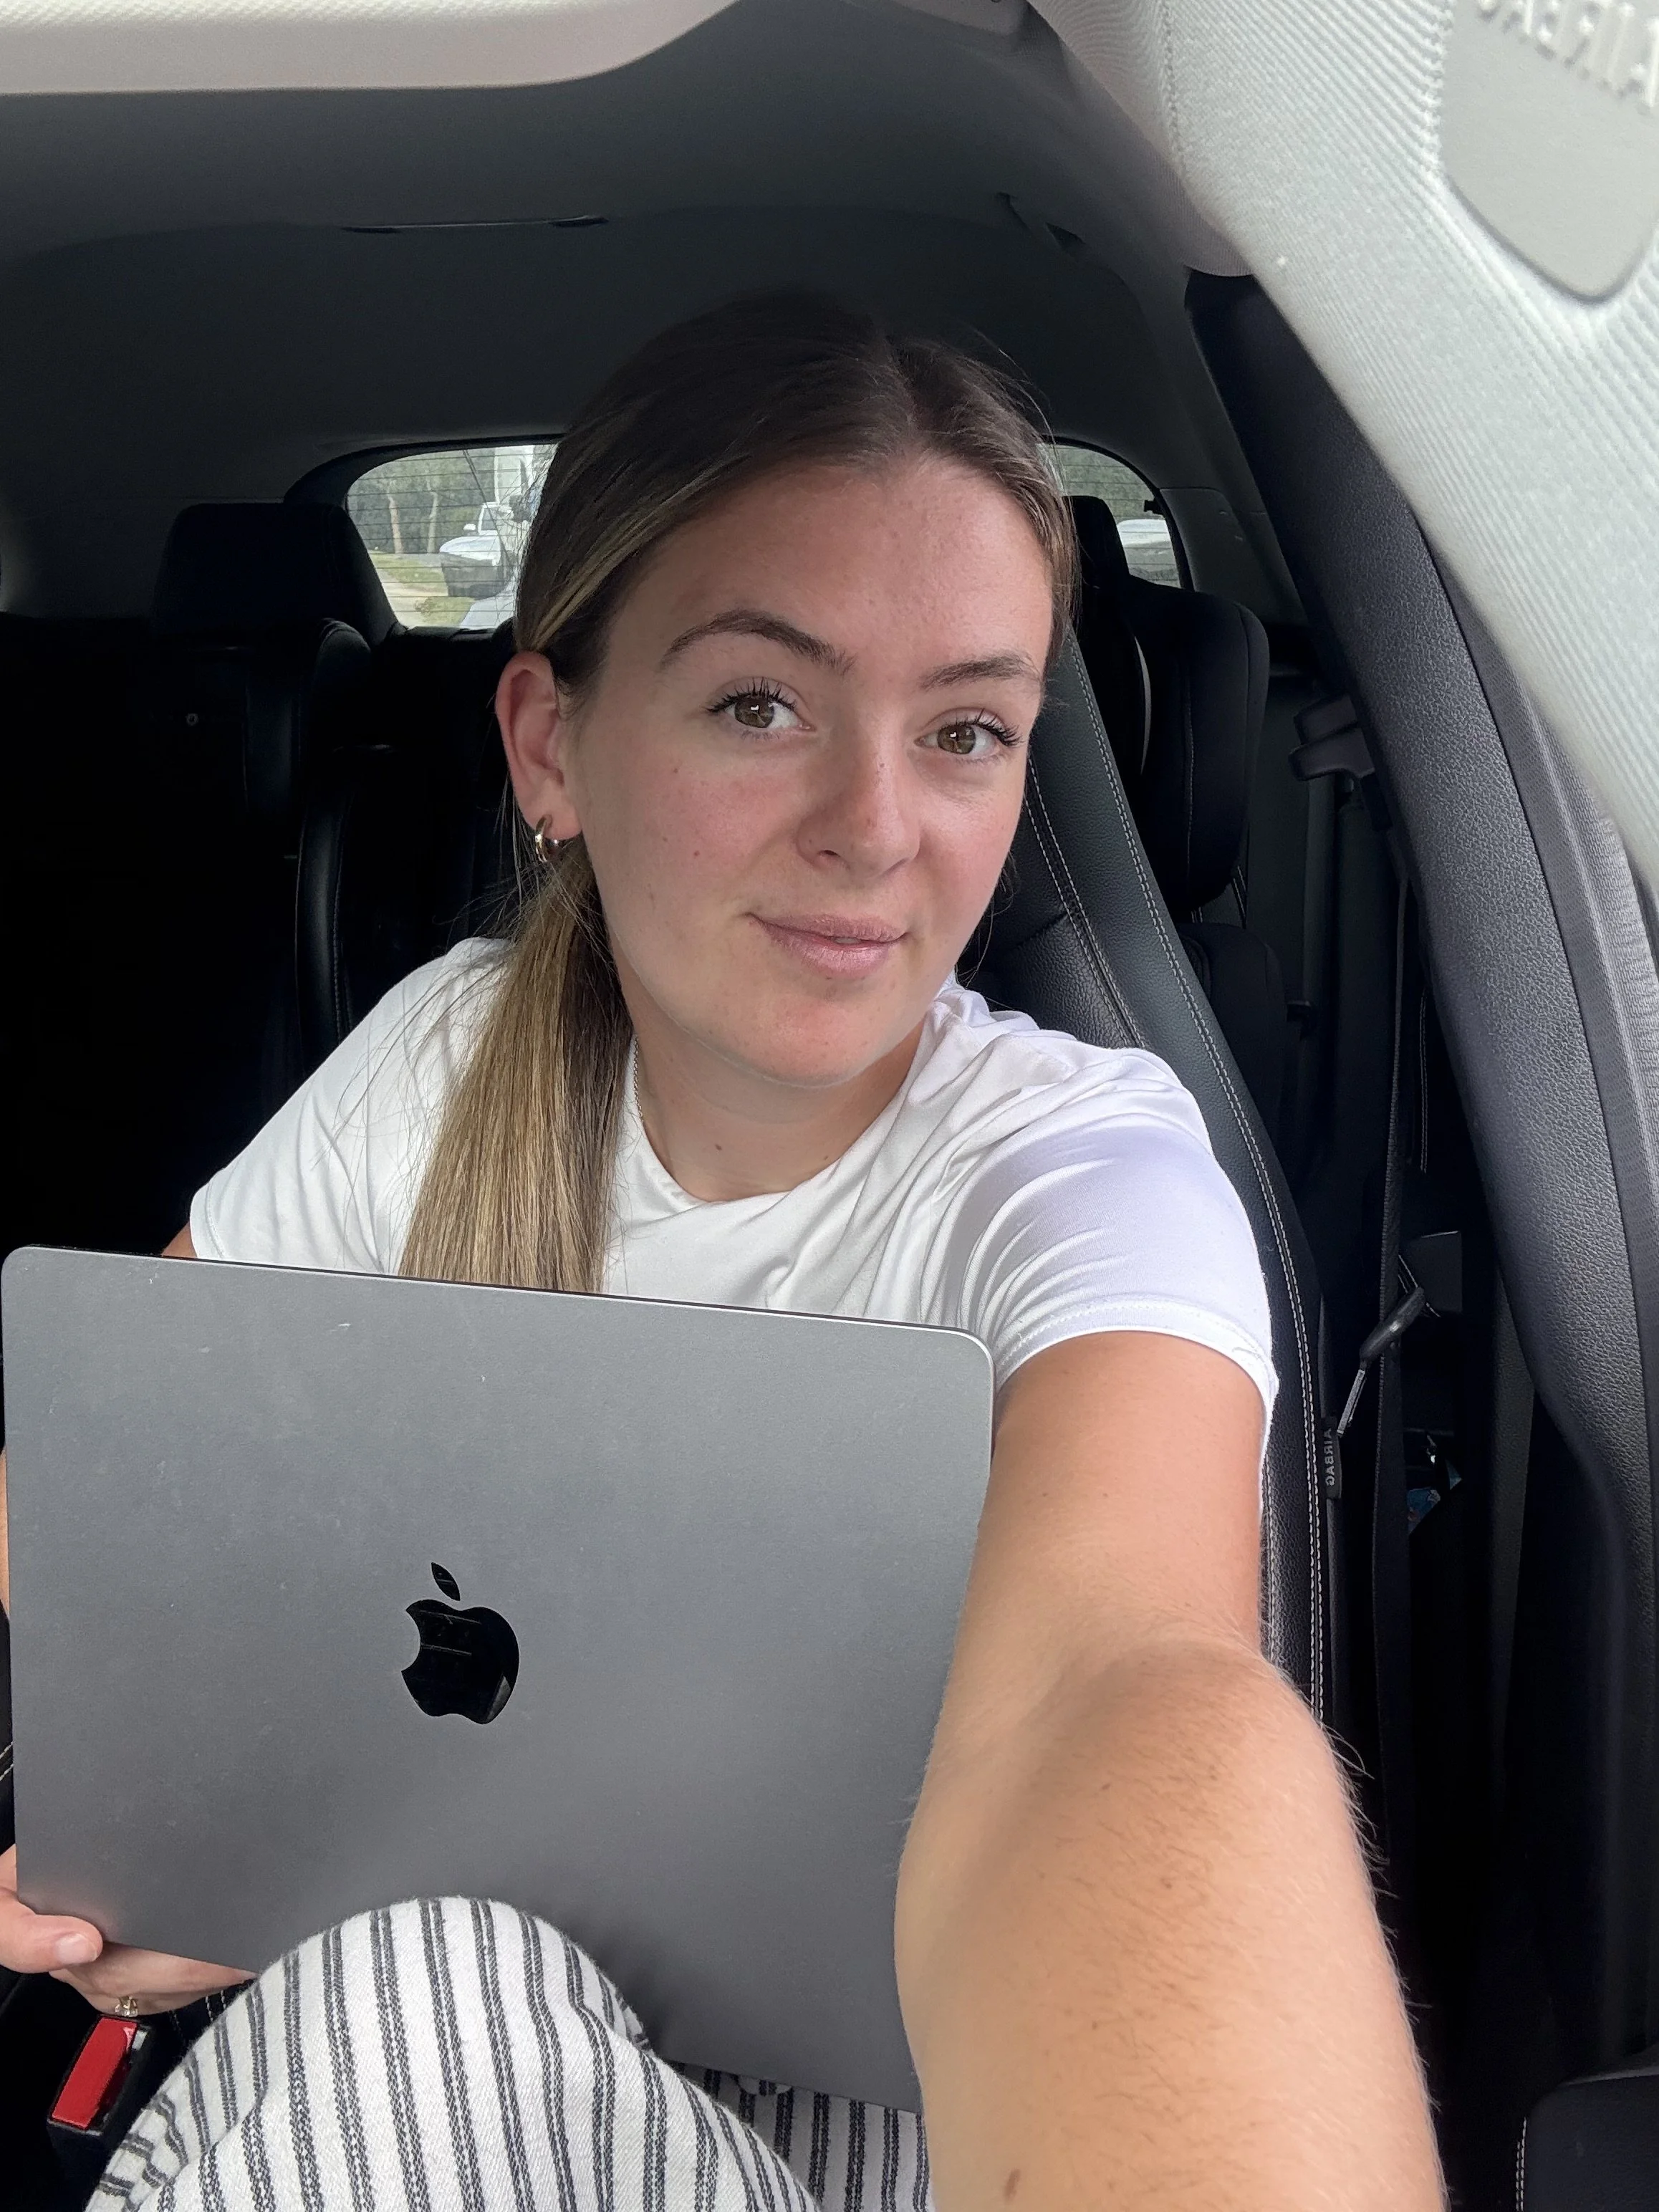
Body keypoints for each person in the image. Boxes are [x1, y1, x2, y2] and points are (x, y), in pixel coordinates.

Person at [0, 294, 1443, 2210]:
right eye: (762, 704)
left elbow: (1124, 1689)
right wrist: (180, 1849)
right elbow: (93, 1492)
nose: (877, 827)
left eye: (967, 730)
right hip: (405, 2024)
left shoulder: (1080, 1174)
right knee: (421, 1989)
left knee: (419, 1993)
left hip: (898, 2091)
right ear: (552, 748)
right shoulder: (441, 1063)